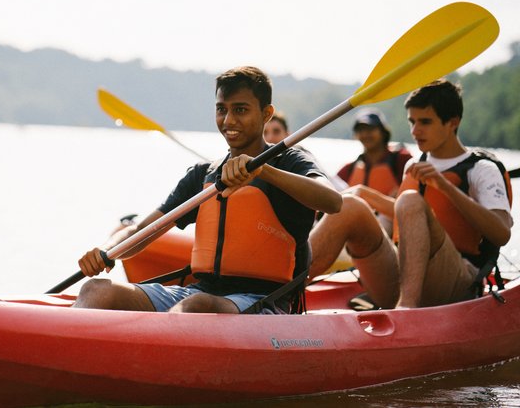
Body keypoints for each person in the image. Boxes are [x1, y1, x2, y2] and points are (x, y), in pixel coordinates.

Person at [74, 66, 342, 314]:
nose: (228, 120)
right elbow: (142, 230)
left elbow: (333, 201)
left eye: (240, 110)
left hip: (264, 303)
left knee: (197, 306)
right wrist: (105, 250)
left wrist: (263, 171)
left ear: (266, 114)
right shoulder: (203, 175)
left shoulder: (289, 161)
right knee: (96, 291)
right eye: (221, 109)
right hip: (200, 293)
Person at [309, 79, 512, 309]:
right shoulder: (414, 165)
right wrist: (366, 195)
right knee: (349, 204)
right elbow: (402, 217)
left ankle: (406, 310)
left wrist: (444, 186)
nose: (415, 131)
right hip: (405, 276)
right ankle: (277, 291)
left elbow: (501, 233)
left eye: (425, 122)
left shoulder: (482, 169)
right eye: (412, 122)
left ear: (452, 123)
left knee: (409, 200)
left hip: (458, 281)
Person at [336, 108, 413, 236]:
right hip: (357, 224)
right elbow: (331, 192)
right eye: (361, 130)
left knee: (383, 218)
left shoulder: (401, 159)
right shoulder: (351, 168)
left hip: (392, 224)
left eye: (370, 129)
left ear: (382, 132)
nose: (365, 134)